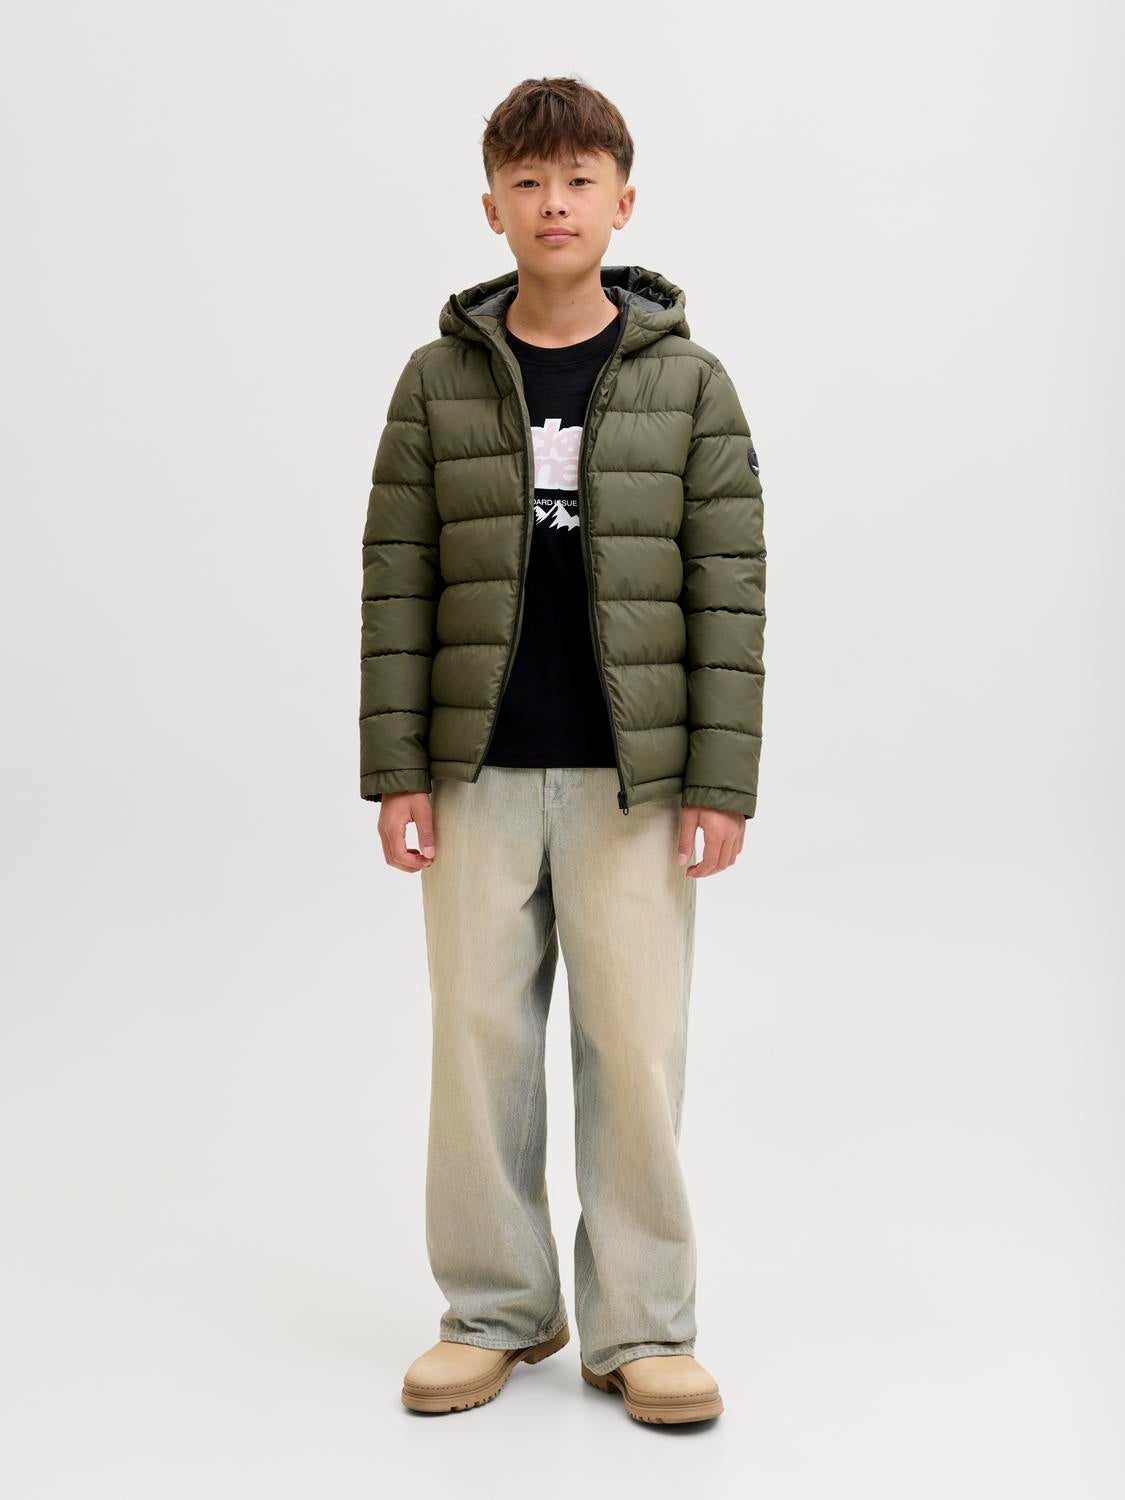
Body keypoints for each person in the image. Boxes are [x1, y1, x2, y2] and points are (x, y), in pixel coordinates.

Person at [359, 76, 766, 1425]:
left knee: (633, 1051)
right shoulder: (436, 382)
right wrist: (397, 769)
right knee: (476, 1051)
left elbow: (729, 591)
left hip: (632, 781)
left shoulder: (689, 385)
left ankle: (643, 1327)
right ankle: (494, 1311)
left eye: (579, 180)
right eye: (527, 182)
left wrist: (719, 782)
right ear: (491, 206)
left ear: (621, 202)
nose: (553, 203)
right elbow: (397, 579)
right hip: (472, 772)